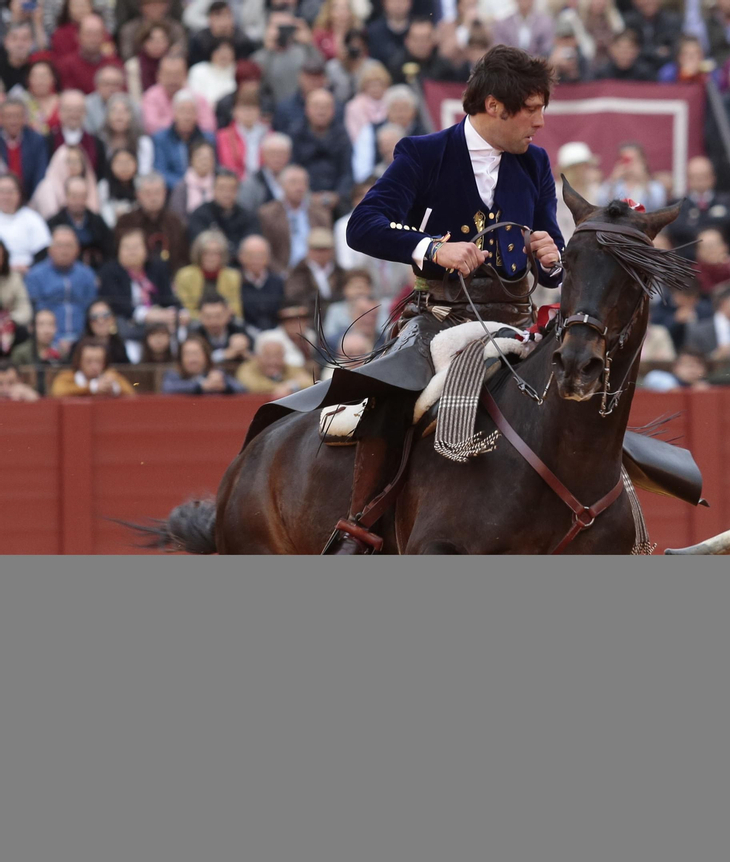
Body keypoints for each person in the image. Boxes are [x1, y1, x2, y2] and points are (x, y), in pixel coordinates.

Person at [241, 47, 571, 554]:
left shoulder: (536, 162)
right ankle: (360, 525)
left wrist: (550, 256)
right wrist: (433, 248)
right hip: (439, 319)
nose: (542, 123)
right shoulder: (424, 153)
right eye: (532, 108)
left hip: (517, 325)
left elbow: (550, 251)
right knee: (390, 399)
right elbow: (363, 225)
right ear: (494, 105)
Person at [48, 338, 137, 397]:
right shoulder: (67, 376)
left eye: (98, 361)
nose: (94, 366)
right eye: (89, 361)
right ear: (79, 362)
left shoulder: (111, 375)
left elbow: (132, 394)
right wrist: (92, 387)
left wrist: (114, 387)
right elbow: (58, 392)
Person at [162, 335, 245, 395]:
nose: (192, 359)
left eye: (196, 354)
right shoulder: (173, 374)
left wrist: (225, 386)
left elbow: (242, 389)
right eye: (187, 354)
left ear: (206, 356)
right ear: (181, 358)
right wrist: (200, 386)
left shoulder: (216, 374)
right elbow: (167, 388)